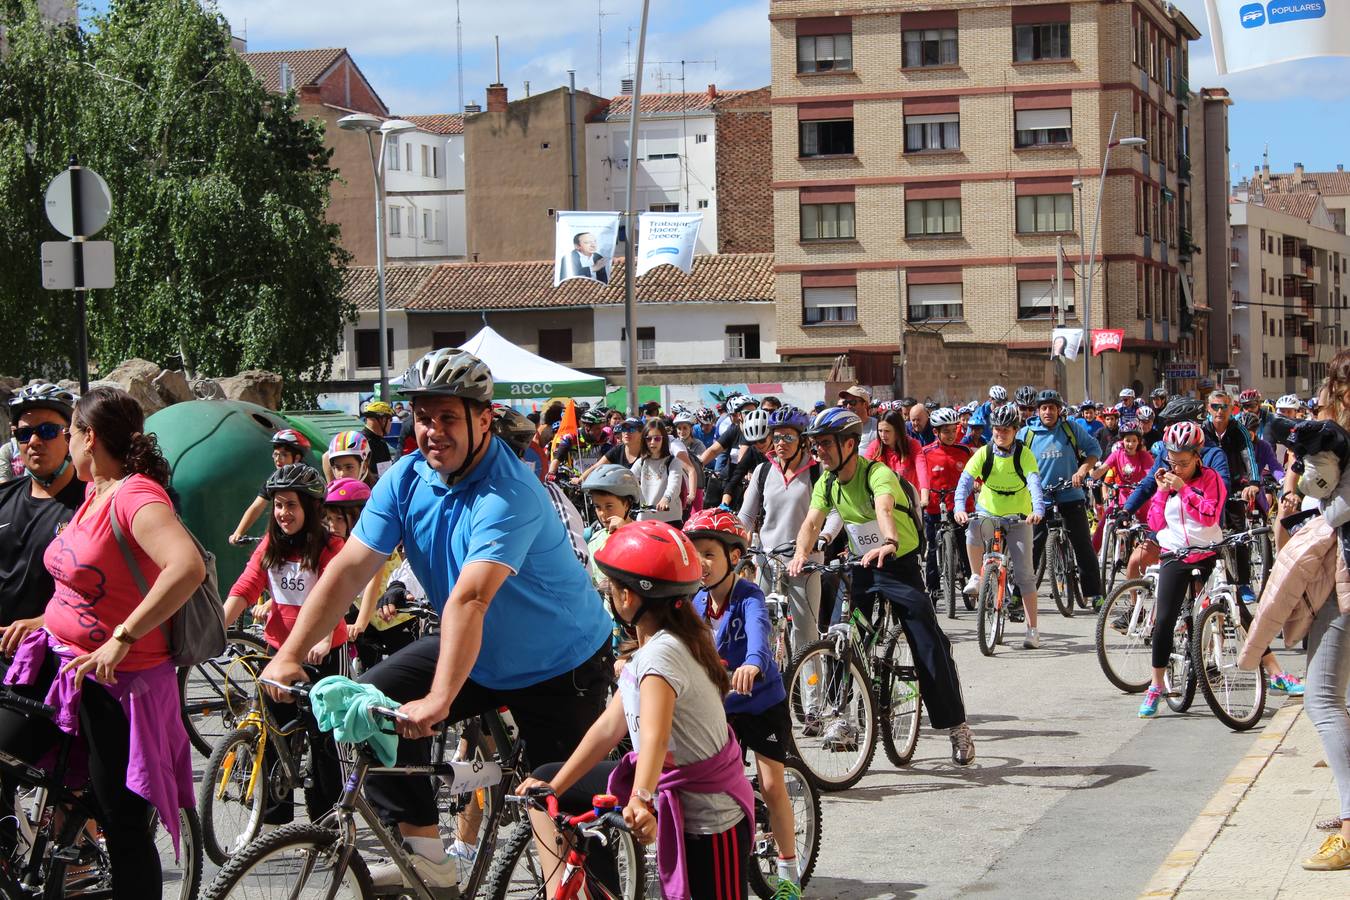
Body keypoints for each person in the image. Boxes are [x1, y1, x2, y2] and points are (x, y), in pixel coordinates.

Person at [258, 348, 614, 890]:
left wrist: (439, 701)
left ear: (484, 419)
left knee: (564, 811)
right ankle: (430, 859)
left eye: (448, 417)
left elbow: (471, 599)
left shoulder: (509, 491)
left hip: (558, 663)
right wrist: (286, 655)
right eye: (423, 417)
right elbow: (350, 569)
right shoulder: (405, 478)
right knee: (372, 703)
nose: (432, 431)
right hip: (474, 648)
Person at [0, 386, 202, 897]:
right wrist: (44, 620)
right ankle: (47, 852)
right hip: (64, 669)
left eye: (65, 430)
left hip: (120, 684)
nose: (60, 441)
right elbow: (82, 581)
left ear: (88, 437)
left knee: (124, 827)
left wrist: (122, 637)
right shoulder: (97, 492)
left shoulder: (136, 494)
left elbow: (186, 567)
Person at [515, 521, 753, 900]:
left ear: (627, 598)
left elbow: (655, 737)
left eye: (609, 585)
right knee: (547, 777)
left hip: (710, 820)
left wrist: (640, 798)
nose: (606, 592)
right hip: (671, 783)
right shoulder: (657, 646)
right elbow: (608, 728)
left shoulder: (661, 655)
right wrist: (555, 787)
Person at [787, 408, 976, 765]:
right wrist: (800, 554)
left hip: (897, 563)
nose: (820, 452)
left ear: (849, 444)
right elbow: (812, 521)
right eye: (816, 445)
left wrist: (889, 542)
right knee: (845, 636)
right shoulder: (827, 482)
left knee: (927, 642)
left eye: (825, 444)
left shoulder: (878, 474)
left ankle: (957, 727)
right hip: (862, 564)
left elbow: (884, 508)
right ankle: (842, 717)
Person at [222, 464, 347, 832]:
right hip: (279, 649)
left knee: (323, 738)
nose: (282, 514)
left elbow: (337, 596)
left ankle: (327, 822)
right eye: (278, 505)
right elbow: (247, 586)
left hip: (321, 653)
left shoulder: (329, 546)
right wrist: (218, 625)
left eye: (291, 505)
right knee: (274, 731)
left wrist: (324, 638)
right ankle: (274, 814)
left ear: (309, 508)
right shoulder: (271, 544)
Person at [685, 511, 803, 897]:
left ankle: (788, 875)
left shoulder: (748, 595)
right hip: (721, 708)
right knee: (718, 787)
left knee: (771, 785)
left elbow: (759, 636)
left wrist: (753, 663)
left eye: (709, 553)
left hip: (762, 704)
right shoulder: (696, 600)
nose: (700, 562)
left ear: (734, 558)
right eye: (695, 552)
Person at [737, 405, 836, 720]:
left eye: (788, 438)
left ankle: (813, 707)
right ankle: (764, 701)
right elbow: (747, 515)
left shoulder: (817, 472)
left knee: (805, 634)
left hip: (805, 562)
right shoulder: (765, 471)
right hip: (768, 560)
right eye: (776, 437)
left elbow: (835, 512)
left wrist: (824, 538)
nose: (780, 443)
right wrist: (738, 544)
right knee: (762, 630)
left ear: (802, 440)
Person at [1136, 422, 1227, 718]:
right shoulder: (1168, 479)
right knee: (1163, 620)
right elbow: (1156, 524)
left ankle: (1254, 664)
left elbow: (1210, 513)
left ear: (1197, 456)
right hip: (1175, 553)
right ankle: (1156, 685)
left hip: (1206, 551)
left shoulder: (1211, 478)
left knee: (1224, 605)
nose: (1177, 467)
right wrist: (1163, 493)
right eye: (1172, 461)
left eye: (1183, 463)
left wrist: (1184, 489)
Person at [0, 385, 86, 658]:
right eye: (24, 434)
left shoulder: (91, 502)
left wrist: (45, 622)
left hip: (58, 654)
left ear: (69, 435)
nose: (35, 441)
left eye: (47, 431)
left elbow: (108, 587)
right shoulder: (3, 498)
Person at [954, 404, 1047, 647]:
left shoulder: (1024, 455)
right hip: (989, 510)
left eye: (1005, 430)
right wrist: (959, 507)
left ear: (1015, 430)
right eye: (996, 429)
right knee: (973, 529)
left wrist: (1038, 510)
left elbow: (1034, 483)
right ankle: (976, 576)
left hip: (1019, 516)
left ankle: (1032, 630)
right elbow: (965, 481)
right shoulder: (984, 453)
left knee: (1025, 574)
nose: (1000, 434)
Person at [1017, 389, 1105, 609]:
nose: (1048, 412)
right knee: (1033, 549)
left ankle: (1095, 594)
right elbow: (1014, 461)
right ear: (1038, 411)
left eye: (1052, 408)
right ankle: (1019, 595)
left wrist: (1083, 470)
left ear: (1059, 410)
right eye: (1044, 408)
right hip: (1040, 500)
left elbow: (1094, 450)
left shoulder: (1070, 428)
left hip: (1070, 495)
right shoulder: (1026, 434)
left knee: (1083, 545)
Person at [1204, 389, 1262, 603]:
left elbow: (1249, 457)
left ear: (1231, 408)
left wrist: (1254, 483)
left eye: (1224, 407)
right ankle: (1208, 580)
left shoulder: (1239, 430)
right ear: (1208, 408)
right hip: (1209, 487)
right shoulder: (1203, 430)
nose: (1220, 411)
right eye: (1215, 407)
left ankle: (1244, 583)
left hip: (1235, 484)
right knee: (1208, 535)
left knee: (1239, 535)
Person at [916, 407, 974, 605]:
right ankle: (933, 589)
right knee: (932, 550)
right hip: (934, 508)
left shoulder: (964, 451)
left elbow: (977, 475)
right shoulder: (925, 453)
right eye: (946, 431)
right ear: (936, 432)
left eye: (953, 430)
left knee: (966, 547)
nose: (951, 435)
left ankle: (970, 582)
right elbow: (919, 480)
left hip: (961, 509)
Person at [229, 428, 311, 545]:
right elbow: (257, 507)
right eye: (275, 454)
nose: (278, 459)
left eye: (284, 455)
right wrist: (238, 532)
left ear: (297, 458)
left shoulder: (309, 478)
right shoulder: (274, 479)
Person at [1090, 421, 1154, 551]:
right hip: (1121, 498)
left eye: (1134, 440)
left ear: (1139, 442)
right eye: (1127, 440)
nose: (1130, 444)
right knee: (1104, 522)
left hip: (1140, 498)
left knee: (1149, 528)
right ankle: (1091, 556)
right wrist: (1088, 477)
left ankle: (1153, 558)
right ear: (1122, 441)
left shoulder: (1144, 456)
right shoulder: (1116, 455)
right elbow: (1102, 469)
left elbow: (1150, 476)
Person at [632, 419, 684, 524]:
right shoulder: (641, 462)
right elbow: (628, 478)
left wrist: (666, 499)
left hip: (670, 519)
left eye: (657, 438)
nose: (652, 442)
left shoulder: (673, 461)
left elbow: (674, 484)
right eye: (649, 439)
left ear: (663, 439)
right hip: (645, 519)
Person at [719, 409, 772, 511]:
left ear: (771, 434)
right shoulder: (753, 450)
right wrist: (724, 503)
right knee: (747, 494)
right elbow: (737, 476)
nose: (758, 445)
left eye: (762, 440)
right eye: (753, 442)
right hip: (760, 491)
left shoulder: (780, 452)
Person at [549, 408, 612, 482]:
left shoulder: (604, 437)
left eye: (602, 428)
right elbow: (558, 457)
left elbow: (611, 457)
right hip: (573, 479)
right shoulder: (572, 437)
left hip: (596, 478)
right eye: (597, 428)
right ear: (587, 427)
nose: (601, 431)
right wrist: (551, 473)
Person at [865, 408, 922, 488]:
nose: (883, 435)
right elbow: (864, 470)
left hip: (909, 498)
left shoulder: (912, 444)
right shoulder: (874, 446)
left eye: (887, 431)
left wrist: (924, 497)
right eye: (880, 431)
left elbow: (922, 472)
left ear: (898, 430)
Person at [359, 400, 396, 476]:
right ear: (383, 420)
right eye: (390, 420)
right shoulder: (377, 444)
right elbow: (384, 476)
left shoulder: (358, 440)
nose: (391, 423)